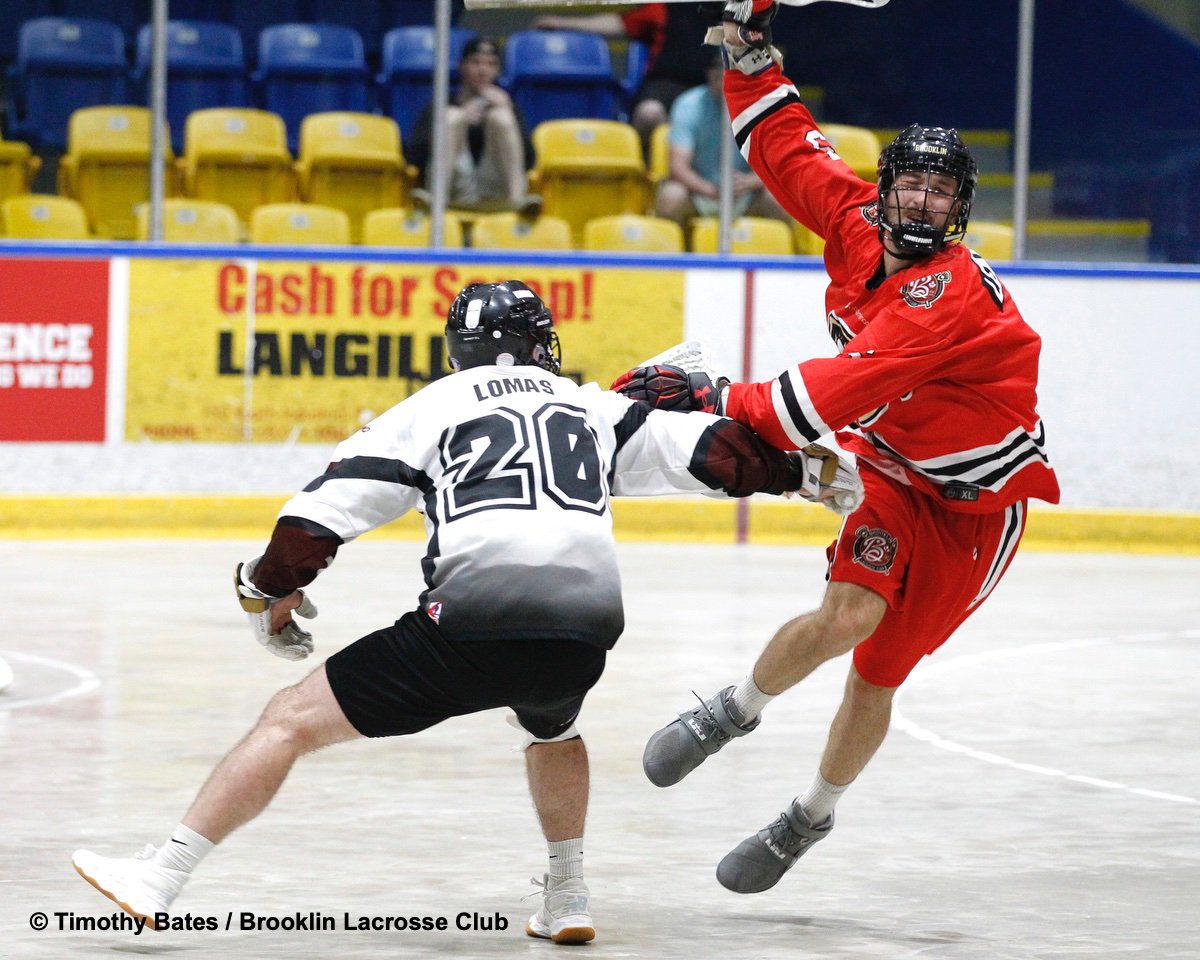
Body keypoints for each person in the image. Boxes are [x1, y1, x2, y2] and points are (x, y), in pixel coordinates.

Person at [70, 280, 860, 943]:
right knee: (552, 724)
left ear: (460, 352)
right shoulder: (590, 406)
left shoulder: (428, 408)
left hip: (471, 627)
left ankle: (160, 876)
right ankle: (567, 896)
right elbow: (719, 456)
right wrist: (809, 476)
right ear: (541, 344)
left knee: (287, 718)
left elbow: (309, 531)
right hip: (583, 633)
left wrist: (264, 587)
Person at [615, 3, 1061, 896]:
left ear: (961, 209)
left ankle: (809, 816)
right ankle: (732, 712)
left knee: (876, 671)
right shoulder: (857, 225)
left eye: (943, 192)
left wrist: (715, 397)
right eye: (913, 185)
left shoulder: (951, 293)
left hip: (975, 508)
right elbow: (788, 144)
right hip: (890, 471)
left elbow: (834, 391)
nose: (923, 201)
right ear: (888, 185)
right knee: (847, 613)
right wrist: (749, 52)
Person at [533, 4, 711, 157]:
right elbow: (620, 23)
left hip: (712, 86)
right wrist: (562, 22)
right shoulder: (662, 6)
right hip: (665, 83)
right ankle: (648, 174)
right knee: (648, 113)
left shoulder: (729, 8)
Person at [655, 48, 791, 228]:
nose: (724, 75)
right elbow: (678, 167)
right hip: (701, 191)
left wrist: (748, 182)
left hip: (747, 193)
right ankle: (680, 251)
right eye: (718, 69)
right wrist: (711, 190)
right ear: (709, 74)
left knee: (782, 198)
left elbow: (778, 165)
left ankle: (777, 253)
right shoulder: (688, 105)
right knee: (670, 197)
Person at [406, 37, 535, 212]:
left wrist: (509, 109)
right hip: (455, 186)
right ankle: (436, 203)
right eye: (476, 62)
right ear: (462, 66)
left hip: (495, 188)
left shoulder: (506, 104)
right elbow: (414, 154)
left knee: (501, 117)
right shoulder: (444, 102)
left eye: (491, 64)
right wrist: (461, 118)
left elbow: (529, 160)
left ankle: (518, 203)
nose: (483, 70)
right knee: (452, 116)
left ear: (497, 70)